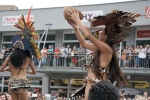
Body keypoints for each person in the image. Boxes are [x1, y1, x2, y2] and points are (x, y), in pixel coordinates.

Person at [67, 8, 141, 100]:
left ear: (106, 36)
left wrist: (78, 20)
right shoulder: (101, 48)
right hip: (92, 83)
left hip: (97, 85)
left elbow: (89, 35)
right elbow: (83, 43)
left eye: (102, 31)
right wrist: (76, 28)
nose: (99, 32)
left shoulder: (106, 49)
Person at [0, 7, 41, 100]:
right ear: (25, 48)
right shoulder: (27, 59)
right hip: (22, 83)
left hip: (12, 83)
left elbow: (1, 70)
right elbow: (34, 72)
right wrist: (26, 71)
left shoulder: (10, 56)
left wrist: (8, 68)